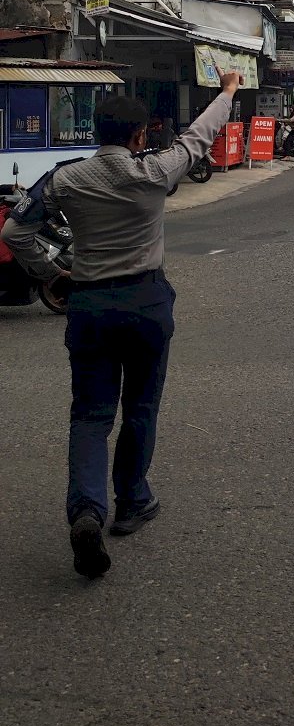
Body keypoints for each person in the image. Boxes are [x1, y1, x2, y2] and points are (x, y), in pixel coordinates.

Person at [1, 73, 242, 579]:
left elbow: (15, 232)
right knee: (140, 406)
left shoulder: (65, 178)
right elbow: (198, 138)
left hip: (89, 306)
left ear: (95, 133)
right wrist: (225, 94)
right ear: (139, 136)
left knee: (90, 416)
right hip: (146, 302)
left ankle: (87, 512)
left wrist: (53, 273)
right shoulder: (154, 171)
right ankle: (132, 500)